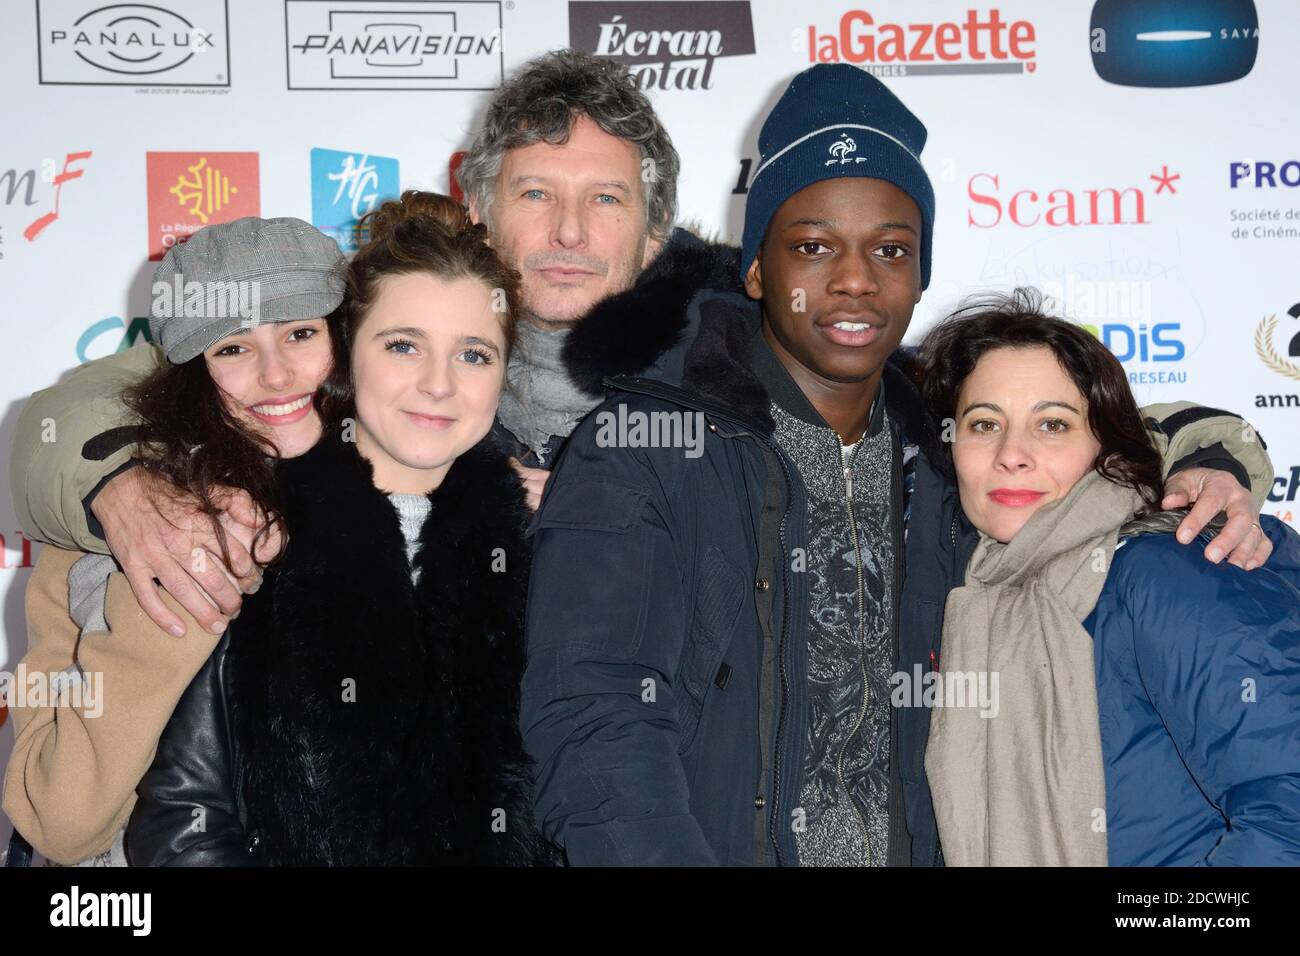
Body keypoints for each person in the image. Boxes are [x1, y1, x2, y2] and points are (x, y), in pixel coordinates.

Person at [518, 63, 1276, 866]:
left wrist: (1217, 457)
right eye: (812, 246)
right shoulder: (644, 445)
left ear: (921, 276)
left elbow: (1098, 433)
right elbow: (594, 725)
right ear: (754, 268)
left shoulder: (959, 447)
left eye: (890, 248)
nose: (852, 280)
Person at [7, 49, 739, 638]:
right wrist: (120, 489)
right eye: (536, 193)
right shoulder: (365, 329)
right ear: (477, 208)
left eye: (606, 198)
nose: (570, 232)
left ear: (654, 229)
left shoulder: (738, 363)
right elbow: (89, 407)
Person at [126, 192, 553, 866]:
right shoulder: (242, 527)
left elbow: (593, 788)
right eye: (404, 345)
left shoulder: (552, 542)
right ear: (349, 350)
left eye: (474, 355)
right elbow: (186, 819)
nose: (438, 385)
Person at [3, 216, 345, 865]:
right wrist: (178, 595)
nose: (276, 375)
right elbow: (63, 818)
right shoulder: (148, 520)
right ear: (192, 374)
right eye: (233, 348)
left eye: (300, 334)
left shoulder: (410, 483)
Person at [919, 291, 1300, 866]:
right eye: (984, 424)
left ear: (1111, 450)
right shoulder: (978, 598)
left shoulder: (1166, 568)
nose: (1011, 454)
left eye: (1051, 424)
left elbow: (1288, 815)